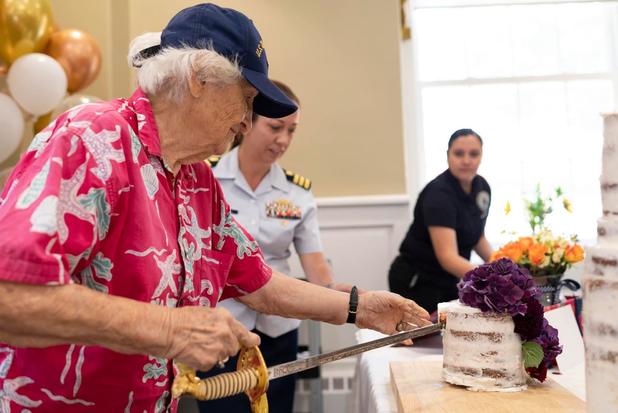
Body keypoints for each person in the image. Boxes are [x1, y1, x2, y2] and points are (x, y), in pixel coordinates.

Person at [0, 4, 430, 412]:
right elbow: (10, 296)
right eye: (246, 100)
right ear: (198, 79)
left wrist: (361, 306)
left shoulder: (196, 179)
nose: (248, 121)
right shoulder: (92, 139)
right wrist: (168, 328)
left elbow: (257, 282)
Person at [198, 80, 348, 413]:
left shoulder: (297, 192)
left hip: (278, 331)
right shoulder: (204, 177)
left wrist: (355, 301)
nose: (283, 140)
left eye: (292, 131)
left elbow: (317, 269)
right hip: (222, 328)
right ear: (247, 121)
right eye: (275, 127)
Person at [388, 128, 493, 314]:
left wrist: (504, 267)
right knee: (424, 340)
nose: (466, 160)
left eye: (474, 154)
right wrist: (490, 279)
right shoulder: (438, 194)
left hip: (448, 280)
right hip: (418, 280)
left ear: (482, 156)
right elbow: (447, 258)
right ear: (448, 155)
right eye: (459, 153)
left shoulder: (482, 188)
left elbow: (477, 237)